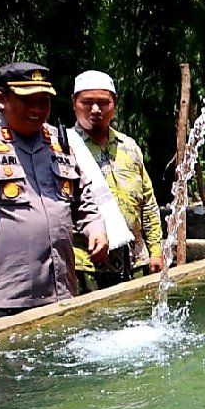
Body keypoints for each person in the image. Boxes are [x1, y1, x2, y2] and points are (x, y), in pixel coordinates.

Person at [0, 62, 108, 322]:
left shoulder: (58, 143)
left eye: (44, 101)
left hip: (60, 292)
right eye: (28, 101)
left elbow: (82, 196)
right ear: (1, 99)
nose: (38, 109)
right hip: (5, 298)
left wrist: (95, 226)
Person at [69, 70, 164, 292]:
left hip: (135, 262)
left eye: (103, 103)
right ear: (74, 103)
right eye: (87, 102)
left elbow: (148, 203)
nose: (95, 110)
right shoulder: (63, 148)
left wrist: (155, 250)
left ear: (114, 103)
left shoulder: (128, 147)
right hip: (86, 266)